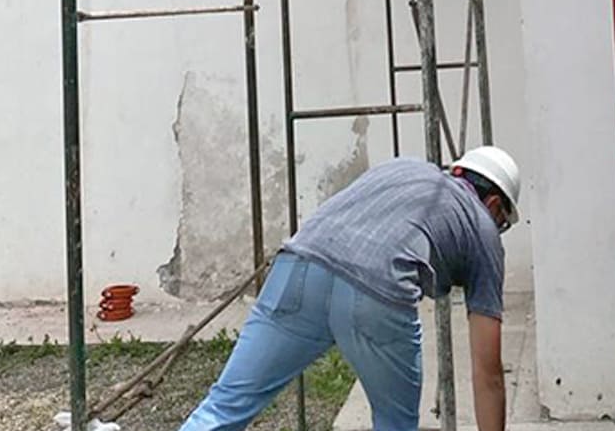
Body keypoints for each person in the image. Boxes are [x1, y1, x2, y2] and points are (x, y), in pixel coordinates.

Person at [178, 146, 521, 431]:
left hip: (298, 267)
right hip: (376, 291)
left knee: (225, 406)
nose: (497, 228)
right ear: (493, 204)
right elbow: (487, 369)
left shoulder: (403, 167)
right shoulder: (484, 231)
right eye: (502, 221)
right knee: (394, 422)